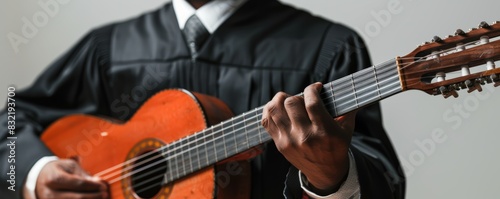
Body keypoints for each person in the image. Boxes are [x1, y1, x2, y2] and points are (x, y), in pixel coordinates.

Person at [0, 0, 406, 198]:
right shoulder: (109, 48)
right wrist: (36, 174)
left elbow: (383, 181)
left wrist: (332, 176)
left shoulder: (327, 49)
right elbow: (11, 116)